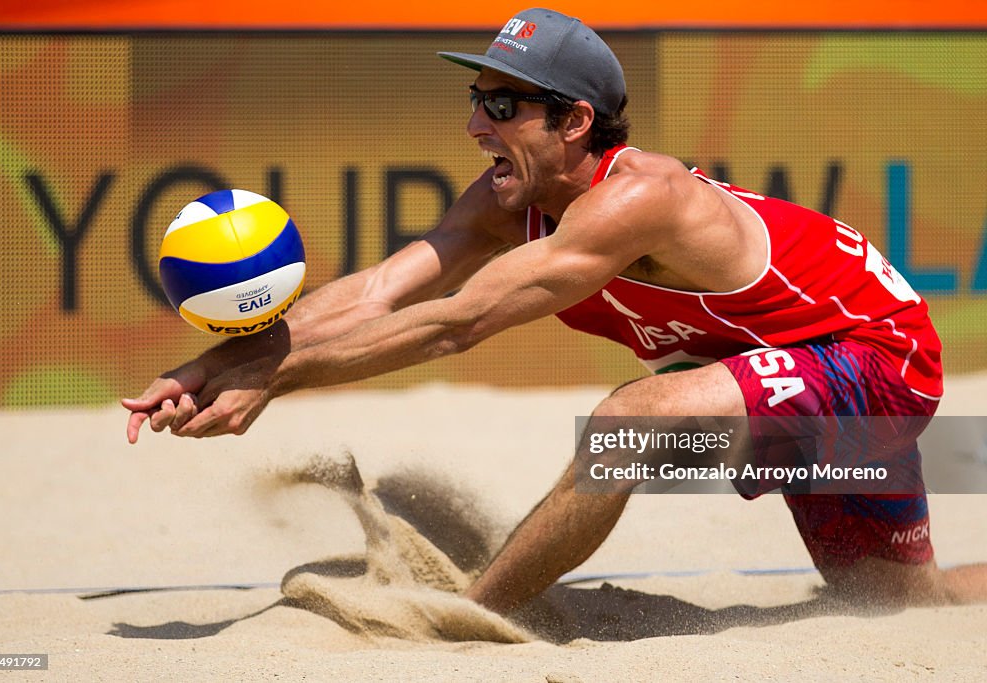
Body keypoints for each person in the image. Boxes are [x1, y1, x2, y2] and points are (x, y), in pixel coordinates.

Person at [123, 8, 987, 612]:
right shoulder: (511, 198)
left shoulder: (638, 199)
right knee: (903, 599)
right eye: (476, 99)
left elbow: (458, 323)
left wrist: (273, 378)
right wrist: (215, 365)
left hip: (876, 362)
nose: (475, 124)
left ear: (575, 120)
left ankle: (470, 616)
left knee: (625, 426)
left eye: (503, 104)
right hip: (792, 371)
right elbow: (388, 289)